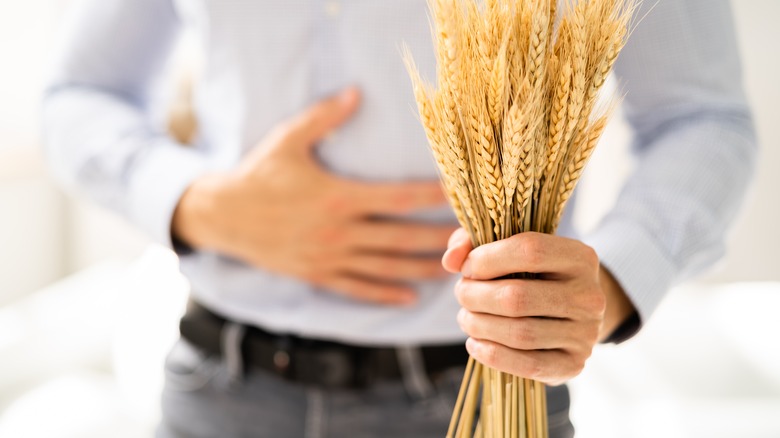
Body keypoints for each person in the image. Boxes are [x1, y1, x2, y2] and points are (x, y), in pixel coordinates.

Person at [42, 0, 756, 437]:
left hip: (484, 395)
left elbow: (704, 119)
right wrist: (199, 203)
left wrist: (611, 285)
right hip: (223, 387)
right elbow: (77, 94)